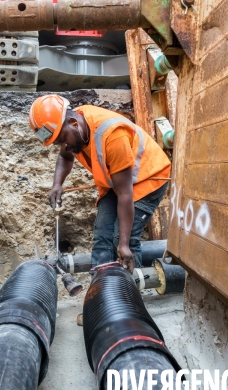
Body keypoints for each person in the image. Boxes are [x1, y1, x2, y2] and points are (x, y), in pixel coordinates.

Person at [29, 94, 171, 272]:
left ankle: (129, 295)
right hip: (117, 180)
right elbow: (65, 158)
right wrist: (57, 184)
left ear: (73, 123)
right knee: (102, 236)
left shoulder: (112, 136)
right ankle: (101, 292)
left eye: (63, 139)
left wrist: (124, 244)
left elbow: (125, 194)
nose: (63, 146)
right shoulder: (74, 131)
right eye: (58, 142)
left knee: (123, 240)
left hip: (147, 178)